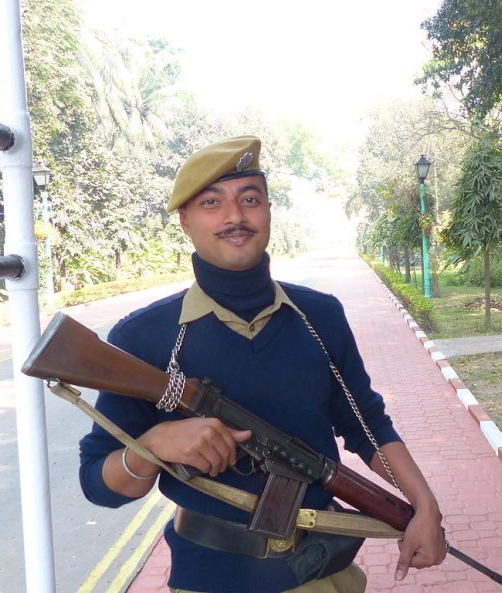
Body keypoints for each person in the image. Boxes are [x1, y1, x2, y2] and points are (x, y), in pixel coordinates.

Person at [78, 135, 447, 593]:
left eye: (250, 199)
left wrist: (424, 504)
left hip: (321, 574)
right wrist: (153, 444)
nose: (235, 216)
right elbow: (99, 484)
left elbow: (367, 425)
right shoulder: (144, 337)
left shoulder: (319, 318)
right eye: (212, 203)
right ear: (185, 221)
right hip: (210, 581)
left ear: (268, 211)